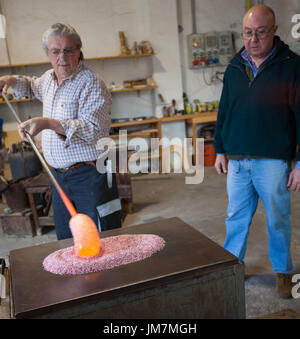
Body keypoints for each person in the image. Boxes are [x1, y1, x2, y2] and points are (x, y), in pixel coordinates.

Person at [0, 23, 122, 240]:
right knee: (67, 239)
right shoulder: (48, 78)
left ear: (79, 51)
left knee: (100, 239)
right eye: (55, 51)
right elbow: (31, 85)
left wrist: (48, 123)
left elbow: (94, 131)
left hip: (90, 175)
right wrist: (10, 80)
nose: (62, 57)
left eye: (69, 50)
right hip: (59, 177)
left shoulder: (92, 83)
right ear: (48, 54)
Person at [214, 5, 300, 298]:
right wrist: (220, 150)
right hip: (237, 161)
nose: (253, 39)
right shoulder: (234, 66)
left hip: (273, 161)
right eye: (248, 33)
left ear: (274, 30)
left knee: (278, 218)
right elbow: (224, 110)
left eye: (260, 33)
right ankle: (233, 268)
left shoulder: (292, 66)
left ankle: (283, 273)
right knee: (235, 218)